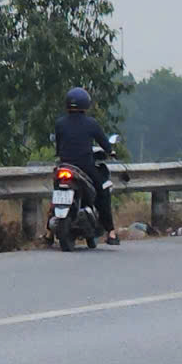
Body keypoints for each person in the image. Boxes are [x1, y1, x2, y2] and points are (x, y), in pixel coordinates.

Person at [53, 87, 119, 246]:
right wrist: (111, 151)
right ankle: (111, 232)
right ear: (86, 104)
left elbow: (58, 146)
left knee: (55, 193)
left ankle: (48, 233)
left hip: (64, 166)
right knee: (103, 193)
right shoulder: (91, 123)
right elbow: (105, 143)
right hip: (84, 167)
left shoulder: (60, 123)